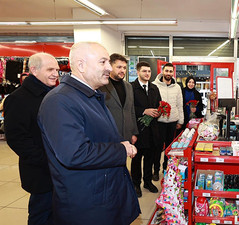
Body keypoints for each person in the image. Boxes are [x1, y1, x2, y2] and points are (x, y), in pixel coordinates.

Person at [37, 42, 140, 225]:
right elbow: (75, 153)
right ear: (81, 65)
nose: (109, 68)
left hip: (104, 196)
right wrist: (120, 150)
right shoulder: (59, 101)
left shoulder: (91, 96)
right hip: (87, 206)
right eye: (103, 62)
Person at [4, 53, 59, 225]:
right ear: (34, 70)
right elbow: (16, 138)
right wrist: (46, 160)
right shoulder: (17, 99)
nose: (56, 74)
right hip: (41, 172)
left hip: (60, 170)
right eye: (50, 69)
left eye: (57, 70)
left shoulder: (55, 95)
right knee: (41, 215)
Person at [131, 61, 161, 197]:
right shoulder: (131, 87)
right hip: (138, 130)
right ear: (138, 72)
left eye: (149, 71)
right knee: (137, 159)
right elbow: (129, 109)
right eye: (144, 71)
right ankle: (136, 184)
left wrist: (159, 112)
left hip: (152, 130)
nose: (147, 73)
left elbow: (159, 105)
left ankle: (148, 182)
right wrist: (144, 111)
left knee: (149, 158)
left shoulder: (155, 88)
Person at [152, 63, 184, 180]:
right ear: (163, 71)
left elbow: (180, 105)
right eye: (167, 71)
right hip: (159, 121)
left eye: (171, 71)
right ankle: (155, 170)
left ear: (173, 73)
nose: (169, 73)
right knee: (157, 147)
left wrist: (180, 120)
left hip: (172, 121)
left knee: (170, 148)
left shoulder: (177, 87)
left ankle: (166, 168)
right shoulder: (155, 85)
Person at [98, 53, 139, 145]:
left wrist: (134, 132)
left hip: (126, 134)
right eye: (119, 67)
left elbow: (131, 110)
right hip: (108, 136)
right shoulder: (101, 86)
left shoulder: (128, 86)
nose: (122, 70)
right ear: (110, 67)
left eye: (124, 68)